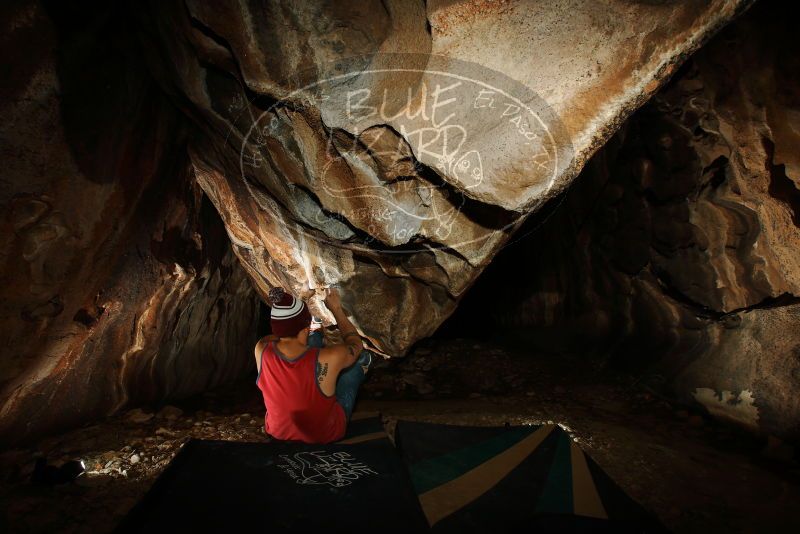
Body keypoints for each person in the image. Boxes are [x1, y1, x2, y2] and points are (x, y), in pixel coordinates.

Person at [254, 286, 372, 444]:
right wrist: (336, 309)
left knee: (309, 350)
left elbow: (282, 333)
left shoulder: (261, 349)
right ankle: (362, 364)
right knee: (356, 363)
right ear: (304, 329)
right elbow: (355, 344)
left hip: (278, 433)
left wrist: (301, 303)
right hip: (324, 435)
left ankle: (314, 331)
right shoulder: (329, 357)